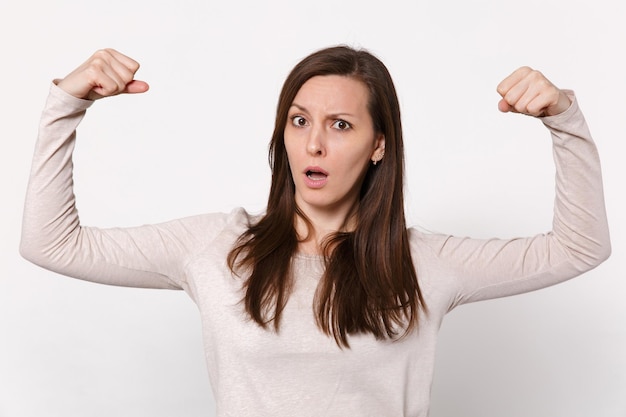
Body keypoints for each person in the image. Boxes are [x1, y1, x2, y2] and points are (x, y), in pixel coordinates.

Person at [20, 46, 610, 416]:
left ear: (379, 145)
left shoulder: (424, 263)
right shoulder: (216, 248)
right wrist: (65, 107)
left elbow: (581, 247)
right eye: (299, 121)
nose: (314, 142)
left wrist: (564, 122)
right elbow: (51, 242)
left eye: (341, 124)